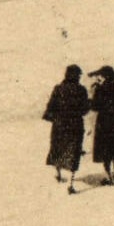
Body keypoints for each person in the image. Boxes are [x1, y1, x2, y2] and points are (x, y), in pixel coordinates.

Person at [42, 63, 90, 192]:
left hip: (60, 125)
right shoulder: (82, 90)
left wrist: (52, 118)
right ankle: (70, 183)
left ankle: (58, 174)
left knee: (57, 149)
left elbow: (51, 106)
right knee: (73, 152)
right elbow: (85, 109)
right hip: (75, 125)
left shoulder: (58, 88)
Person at [89, 65, 114, 184]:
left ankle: (108, 176)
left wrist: (93, 91)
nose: (98, 77)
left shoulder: (99, 89)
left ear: (104, 76)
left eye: (100, 75)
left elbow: (94, 107)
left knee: (105, 148)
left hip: (105, 121)